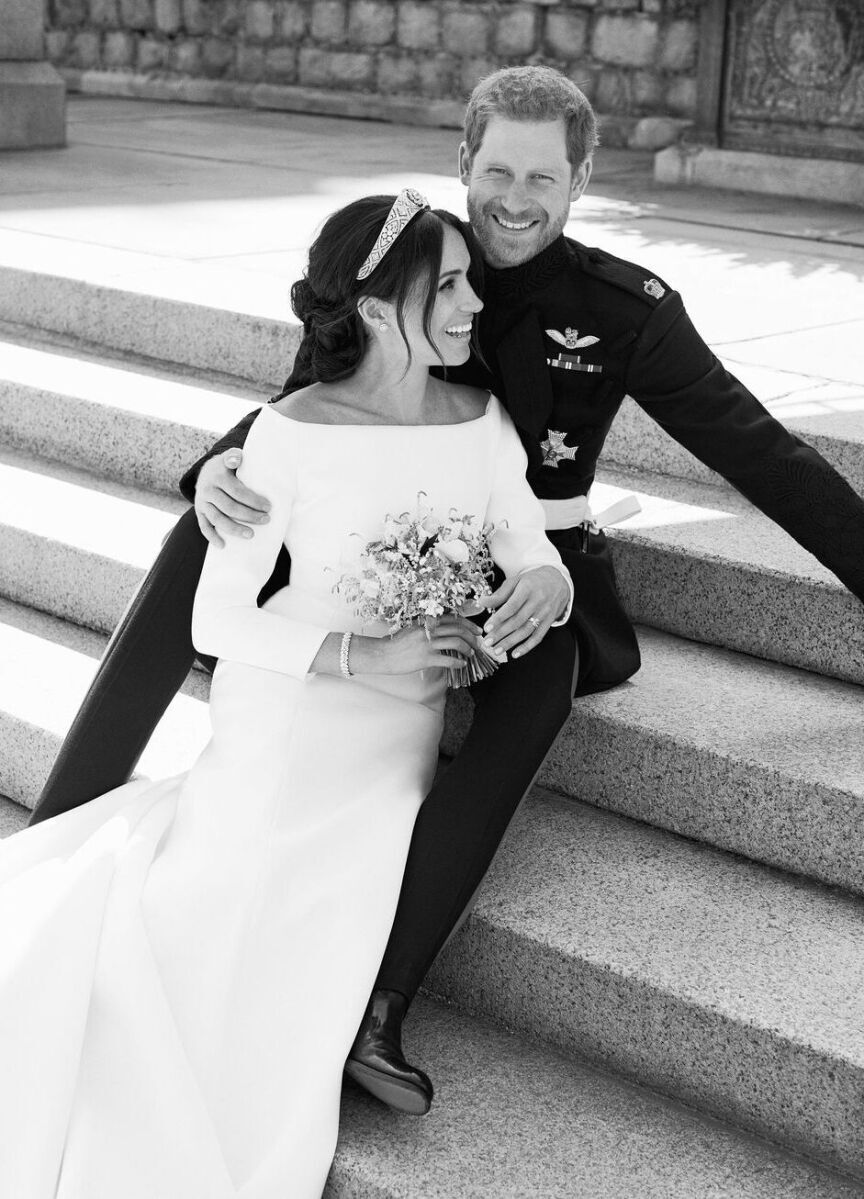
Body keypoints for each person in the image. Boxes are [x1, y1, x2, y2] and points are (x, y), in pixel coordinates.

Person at [31, 66, 864, 1117]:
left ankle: (379, 1005)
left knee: (544, 671)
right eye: (498, 170)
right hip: (375, 546)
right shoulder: (411, 258)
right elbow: (311, 405)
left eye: (544, 177)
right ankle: (58, 828)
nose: (517, 198)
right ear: (466, 164)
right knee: (194, 539)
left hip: (523, 561)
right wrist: (216, 468)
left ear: (582, 181)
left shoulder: (623, 309)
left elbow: (763, 451)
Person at [0, 192, 573, 1197]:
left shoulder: (480, 418)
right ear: (380, 299)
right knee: (221, 920)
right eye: (447, 284)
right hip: (290, 718)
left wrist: (543, 584)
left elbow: (526, 540)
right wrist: (364, 654)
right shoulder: (287, 432)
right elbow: (217, 620)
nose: (473, 301)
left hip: (396, 743)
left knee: (336, 906)